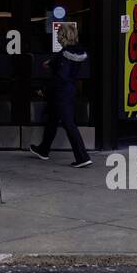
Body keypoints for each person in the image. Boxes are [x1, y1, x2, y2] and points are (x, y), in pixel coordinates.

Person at [28, 21, 93, 168]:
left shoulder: (63, 55)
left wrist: (44, 90)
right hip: (69, 90)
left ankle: (82, 157)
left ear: (63, 36)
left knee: (69, 124)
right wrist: (53, 62)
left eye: (58, 34)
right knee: (52, 119)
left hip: (60, 93)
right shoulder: (78, 51)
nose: (57, 36)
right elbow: (65, 65)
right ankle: (44, 149)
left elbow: (61, 76)